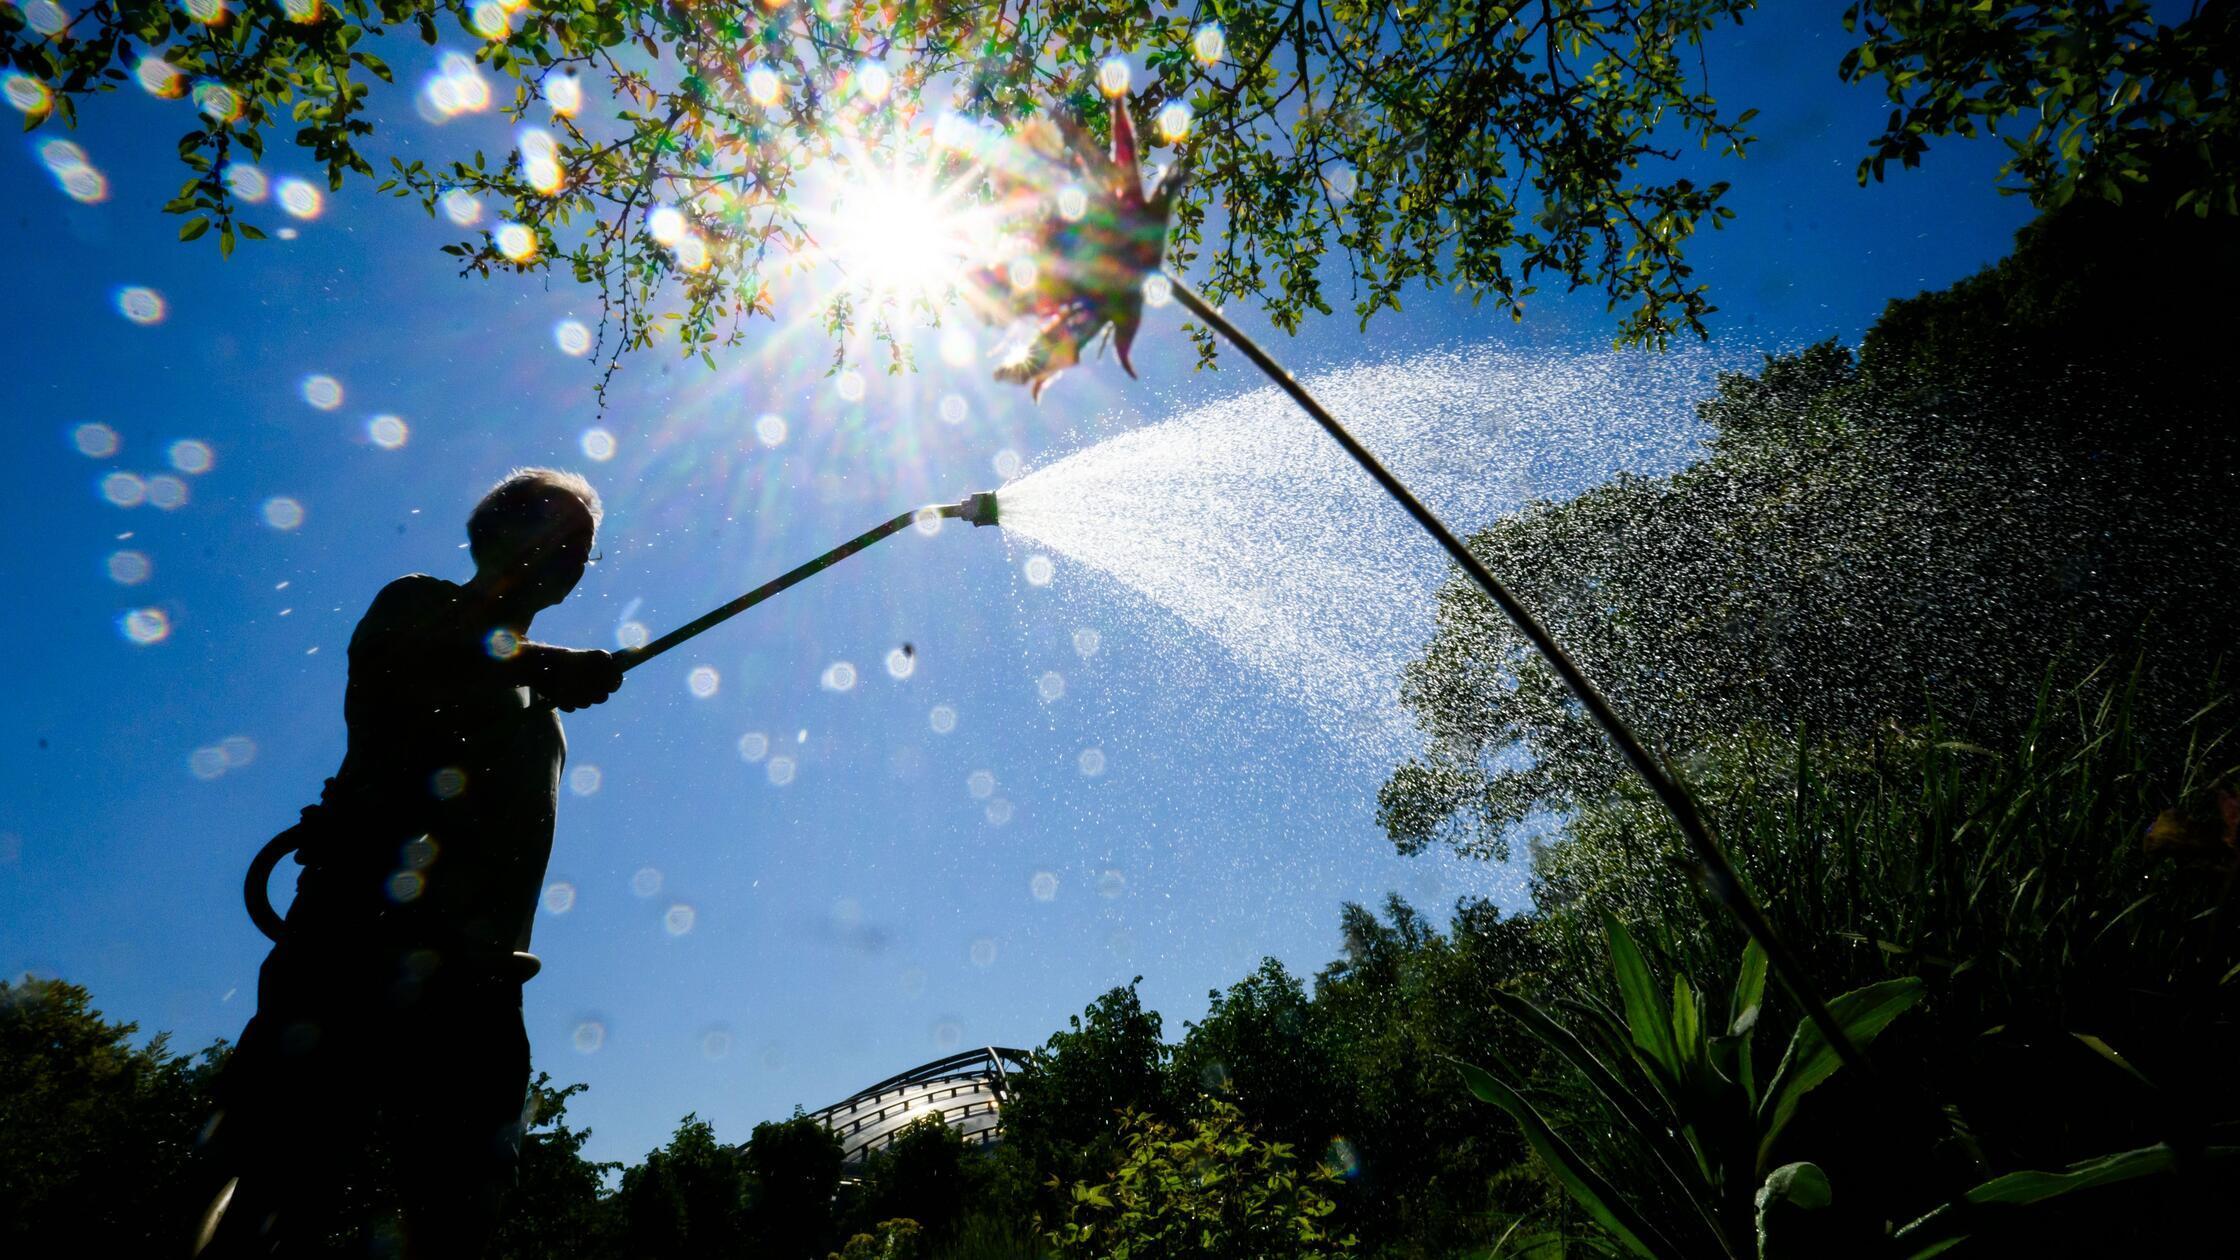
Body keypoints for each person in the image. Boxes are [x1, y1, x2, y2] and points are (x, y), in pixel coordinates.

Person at [196, 469, 625, 1259]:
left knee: (461, 1221)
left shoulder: (547, 721)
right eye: (552, 531)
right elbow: (427, 650)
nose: (569, 555)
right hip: (352, 954)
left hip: (484, 992)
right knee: (274, 1185)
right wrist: (543, 664)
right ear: (492, 533)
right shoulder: (418, 604)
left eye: (582, 548)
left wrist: (542, 672)